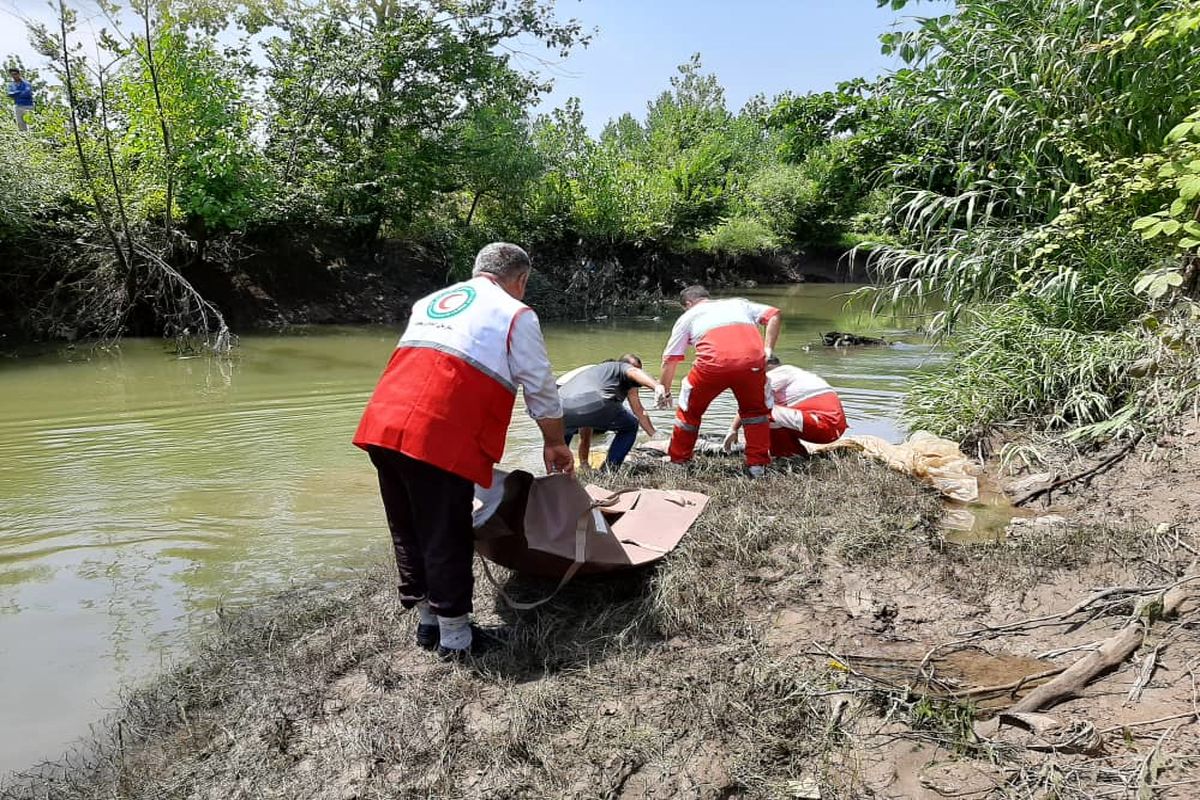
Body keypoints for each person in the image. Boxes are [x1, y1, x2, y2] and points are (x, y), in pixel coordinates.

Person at [353, 243, 573, 660]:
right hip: (437, 432)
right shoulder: (515, 313)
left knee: (408, 526)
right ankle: (456, 639)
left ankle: (427, 623)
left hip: (382, 421)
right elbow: (541, 385)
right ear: (521, 280)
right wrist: (554, 441)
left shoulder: (430, 301)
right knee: (446, 530)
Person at [658, 285, 782, 477]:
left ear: (689, 304)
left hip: (711, 366)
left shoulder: (687, 317)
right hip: (752, 363)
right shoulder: (739, 304)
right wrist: (768, 350)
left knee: (689, 413)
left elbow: (670, 359)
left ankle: (679, 462)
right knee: (756, 413)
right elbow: (774, 314)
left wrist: (664, 390)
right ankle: (757, 466)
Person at [723, 354, 848, 456]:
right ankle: (794, 453)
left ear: (767, 366)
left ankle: (788, 456)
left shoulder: (780, 372)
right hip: (831, 427)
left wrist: (733, 429)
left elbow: (753, 404)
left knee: (761, 414)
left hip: (825, 424)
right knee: (768, 411)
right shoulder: (795, 375)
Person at [558, 354, 667, 469]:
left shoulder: (600, 372)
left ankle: (559, 471)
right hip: (570, 391)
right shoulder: (621, 370)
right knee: (630, 426)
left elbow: (638, 409)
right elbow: (637, 409)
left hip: (561, 402)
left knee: (561, 437)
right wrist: (657, 386)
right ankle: (609, 470)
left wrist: (654, 435)